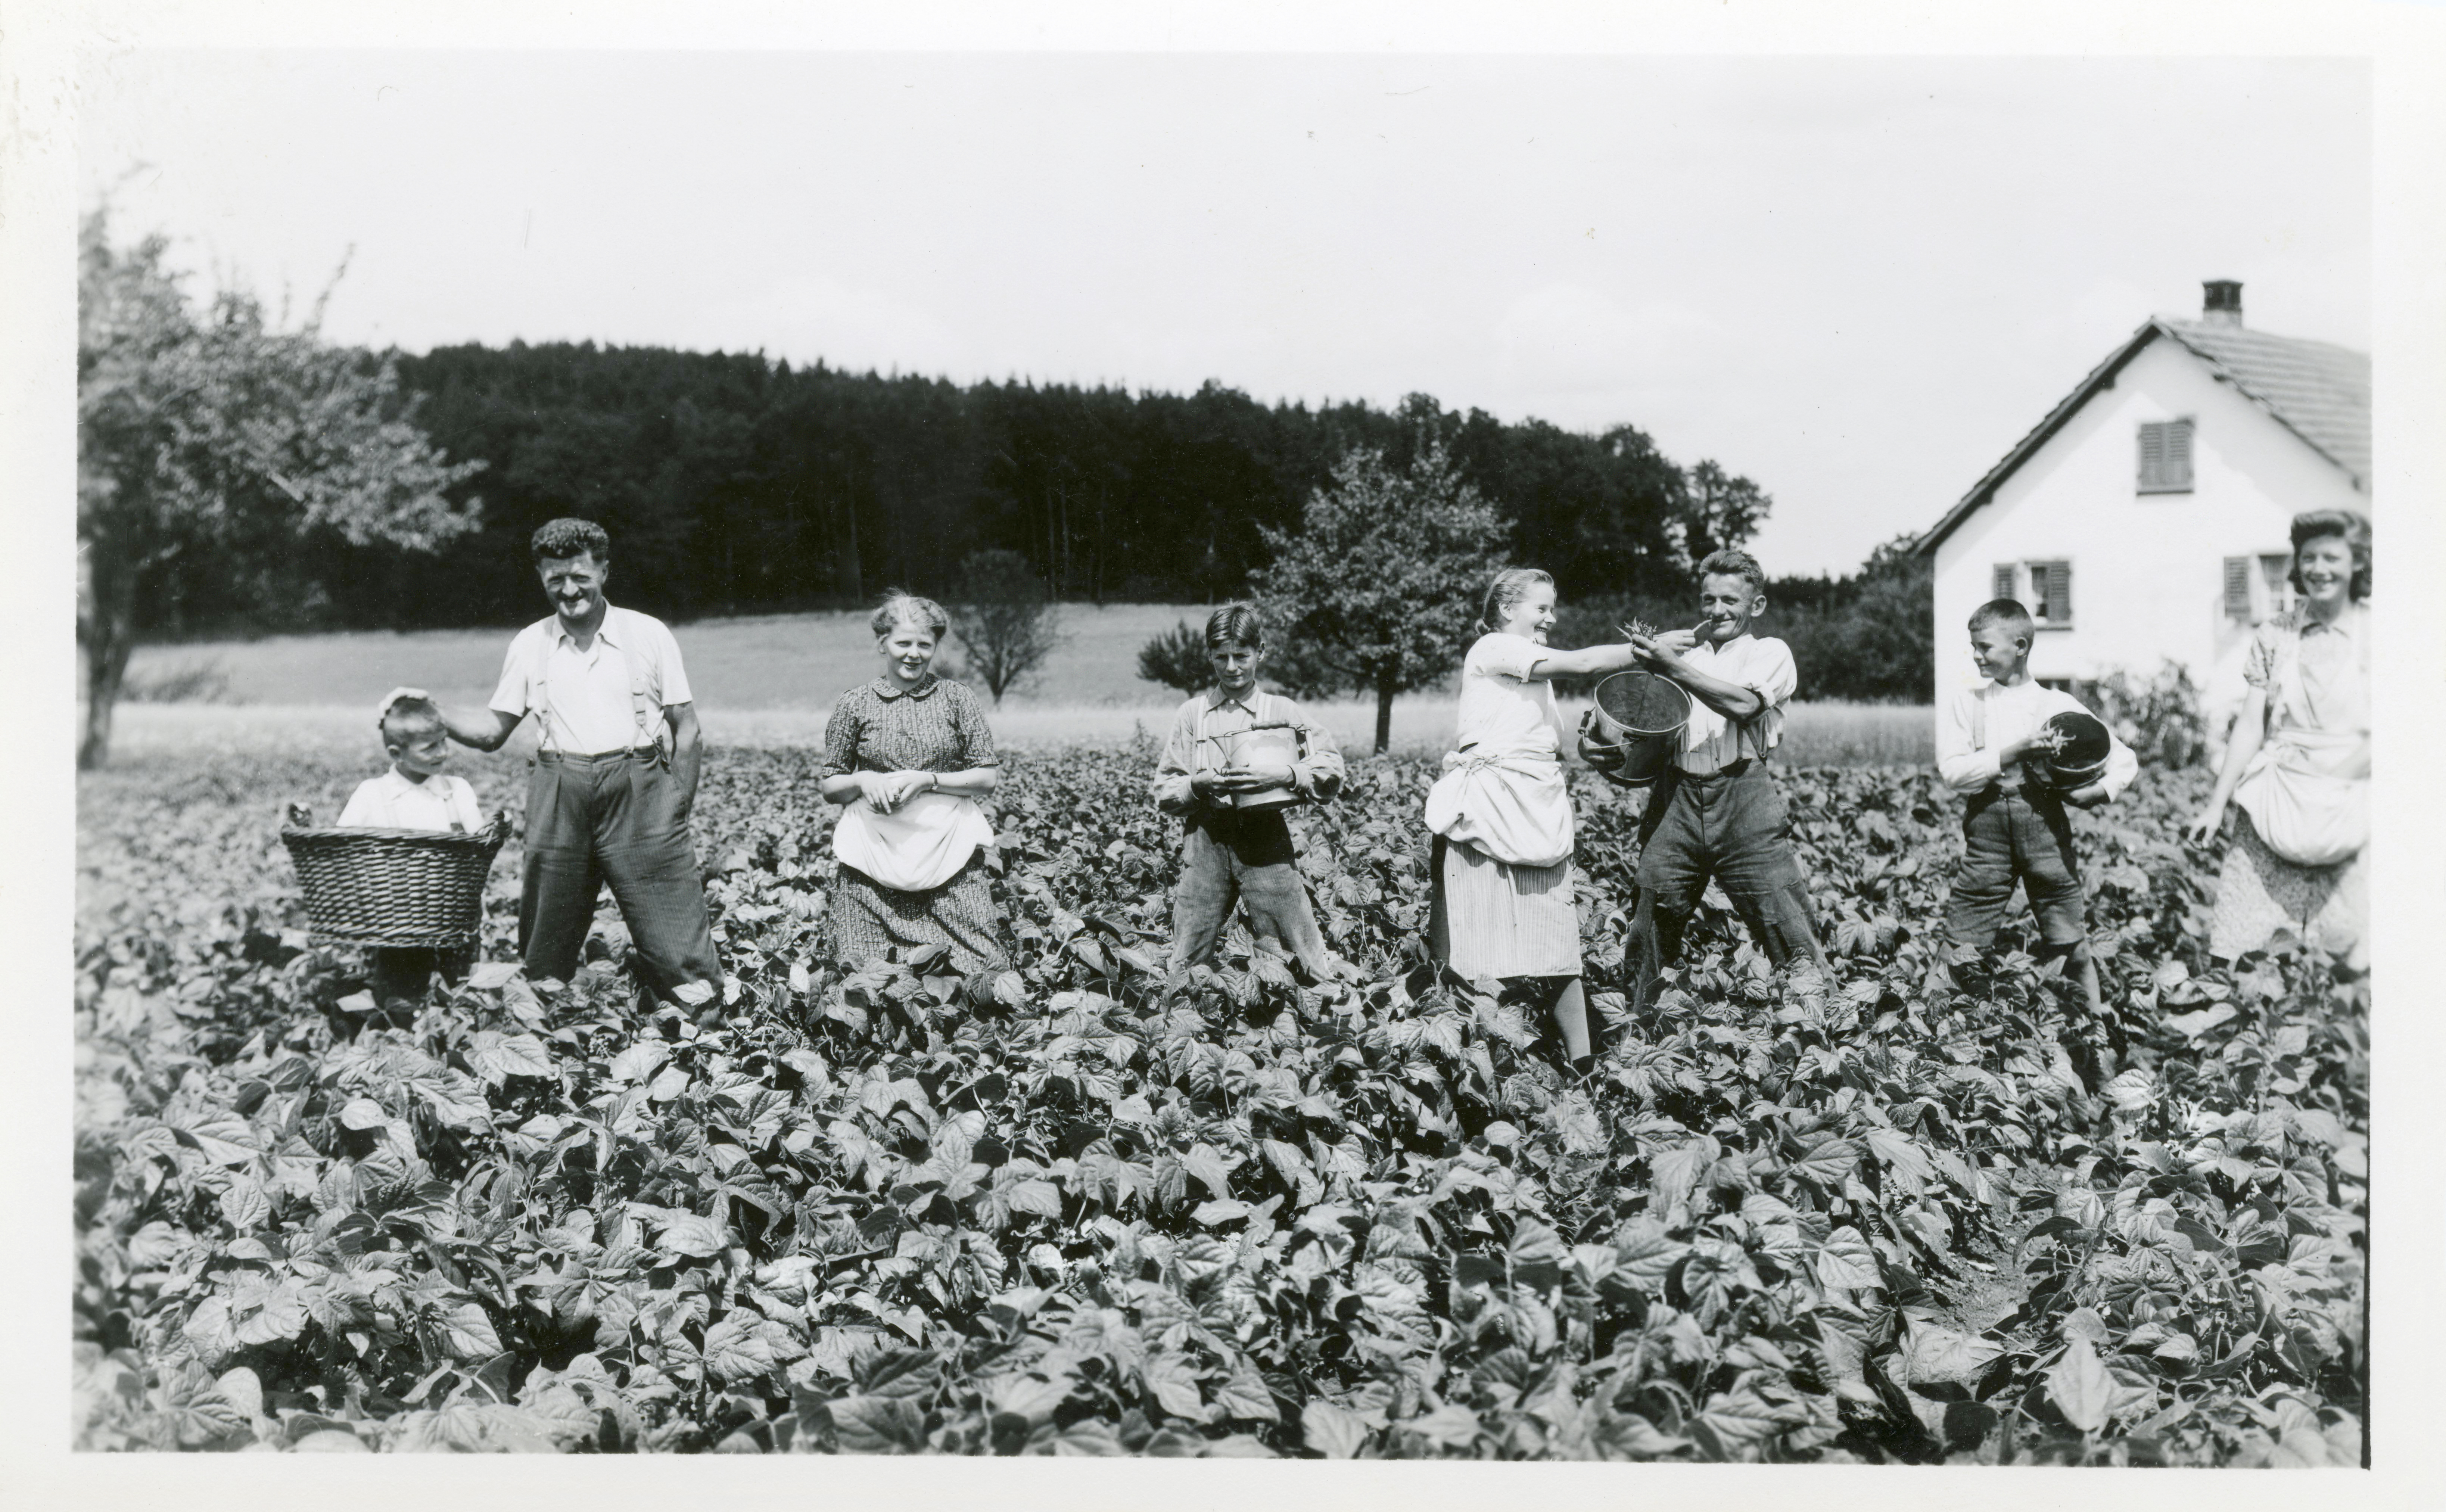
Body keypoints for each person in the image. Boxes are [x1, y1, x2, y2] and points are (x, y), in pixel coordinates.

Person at [434, 517, 723, 999]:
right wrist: (431, 711)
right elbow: (491, 731)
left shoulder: (648, 633)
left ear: (604, 571)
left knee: (676, 935)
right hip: (559, 790)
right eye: (556, 580)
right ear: (542, 578)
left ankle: (703, 1029)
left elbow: (687, 729)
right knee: (547, 936)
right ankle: (547, 1033)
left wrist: (676, 808)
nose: (569, 591)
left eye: (580, 578)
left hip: (640, 788)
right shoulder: (531, 643)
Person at [1425, 568, 1642, 1077]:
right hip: (1487, 808)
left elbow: (1540, 742)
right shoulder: (1495, 647)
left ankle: (1583, 1062)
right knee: (1475, 941)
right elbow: (1585, 661)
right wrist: (1648, 651)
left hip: (1536, 809)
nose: (1552, 616)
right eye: (1541, 608)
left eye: (1553, 606)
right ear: (1506, 611)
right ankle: (1473, 1057)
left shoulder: (1528, 676)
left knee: (1556, 938)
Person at [1616, 548, 1829, 1011]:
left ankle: (1824, 1025)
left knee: (1785, 920)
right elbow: (1640, 751)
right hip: (1675, 801)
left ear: (1757, 606)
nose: (1716, 612)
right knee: (1650, 920)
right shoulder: (1681, 655)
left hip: (1744, 797)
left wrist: (1670, 667)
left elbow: (1743, 705)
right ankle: (1636, 1034)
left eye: (1730, 601)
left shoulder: (1769, 652)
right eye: (1708, 600)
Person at [1935, 600, 2138, 1018]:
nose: (1977, 655)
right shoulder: (1968, 703)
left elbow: (2123, 758)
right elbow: (1953, 773)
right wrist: (2014, 752)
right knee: (1958, 946)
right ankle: (1933, 1032)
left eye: (1986, 648)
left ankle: (2092, 1035)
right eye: (1973, 646)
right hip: (1987, 839)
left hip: (2045, 833)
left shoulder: (2053, 704)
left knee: (2071, 945)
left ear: (2021, 646)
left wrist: (2094, 795)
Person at [2187, 509, 2371, 969]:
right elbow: (2251, 725)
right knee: (2244, 951)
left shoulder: (2381, 636)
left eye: (2332, 557)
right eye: (2309, 558)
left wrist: (2334, 781)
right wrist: (2216, 804)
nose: (2318, 569)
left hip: (2352, 808)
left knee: (2347, 961)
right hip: (2276, 801)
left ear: (2357, 564)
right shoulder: (2277, 635)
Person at [1153, 604, 1346, 982]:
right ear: (1209, 655)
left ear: (1261, 651)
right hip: (1205, 839)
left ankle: (1317, 1015)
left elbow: (1332, 770)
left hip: (1265, 839)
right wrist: (1198, 784)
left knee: (1297, 945)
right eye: (1221, 657)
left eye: (1241, 656)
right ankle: (1180, 1021)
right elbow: (1165, 790)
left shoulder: (1282, 710)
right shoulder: (1194, 715)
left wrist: (1286, 773)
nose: (1231, 667)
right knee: (1189, 949)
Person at [818, 592, 1007, 975]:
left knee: (985, 973)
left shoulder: (958, 699)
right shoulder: (855, 704)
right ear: (882, 644)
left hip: (949, 855)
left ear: (935, 647)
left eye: (925, 645)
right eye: (903, 643)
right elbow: (831, 784)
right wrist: (863, 779)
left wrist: (929, 780)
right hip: (871, 863)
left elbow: (986, 778)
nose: (914, 654)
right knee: (865, 978)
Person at [339, 687, 489, 1007]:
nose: (442, 752)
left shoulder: (457, 790)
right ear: (396, 754)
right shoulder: (373, 794)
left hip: (455, 915)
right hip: (396, 919)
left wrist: (495, 830)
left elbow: (480, 842)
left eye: (444, 741)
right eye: (430, 747)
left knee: (462, 992)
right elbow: (342, 846)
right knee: (400, 994)